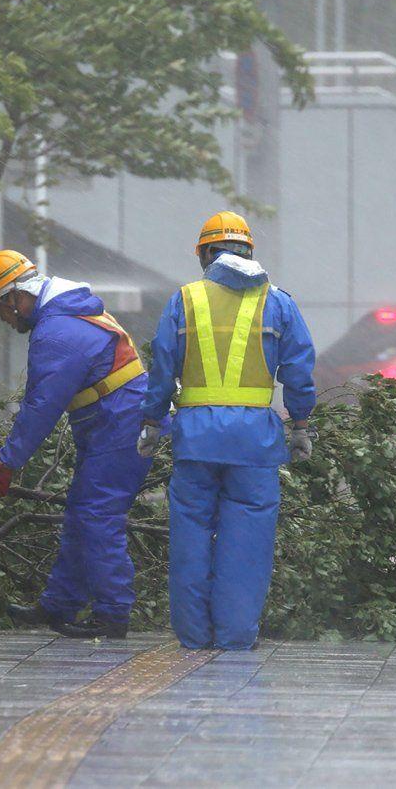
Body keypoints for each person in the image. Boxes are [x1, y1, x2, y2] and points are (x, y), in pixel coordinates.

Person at [139, 212, 316, 651]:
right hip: (254, 444)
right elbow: (298, 370)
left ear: (204, 254)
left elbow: (162, 367)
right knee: (247, 543)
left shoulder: (185, 300)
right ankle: (236, 637)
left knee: (190, 539)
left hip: (195, 440)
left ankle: (194, 637)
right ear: (249, 252)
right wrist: (300, 424)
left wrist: (150, 419)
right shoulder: (277, 303)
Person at [0, 250, 161, 639]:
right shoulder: (67, 315)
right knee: (81, 512)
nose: (3, 319)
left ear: (14, 297)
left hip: (119, 426)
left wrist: (7, 465)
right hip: (115, 423)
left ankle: (112, 615)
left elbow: (41, 407)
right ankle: (59, 604)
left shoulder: (56, 332)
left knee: (97, 514)